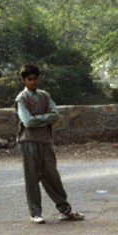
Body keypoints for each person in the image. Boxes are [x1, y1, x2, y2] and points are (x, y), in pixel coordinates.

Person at [15, 64, 85, 224]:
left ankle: (65, 209)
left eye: (35, 79)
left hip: (45, 141)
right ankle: (35, 213)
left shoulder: (44, 96)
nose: (33, 82)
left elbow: (55, 115)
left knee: (52, 176)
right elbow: (27, 122)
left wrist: (38, 118)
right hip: (29, 142)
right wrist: (43, 118)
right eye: (29, 79)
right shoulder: (21, 99)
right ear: (23, 80)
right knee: (32, 178)